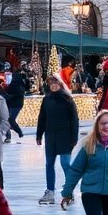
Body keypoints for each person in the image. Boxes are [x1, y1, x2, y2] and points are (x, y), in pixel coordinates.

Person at [35, 74, 79, 206]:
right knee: (49, 164)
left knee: (66, 164)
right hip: (50, 136)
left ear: (60, 84)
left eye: (56, 83)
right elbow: (42, 117)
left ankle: (69, 191)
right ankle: (50, 191)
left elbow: (74, 119)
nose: (53, 86)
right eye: (51, 83)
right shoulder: (47, 99)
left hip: (65, 136)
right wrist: (39, 134)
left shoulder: (67, 99)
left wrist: (74, 137)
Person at [2, 65, 27, 143]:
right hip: (10, 103)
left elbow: (16, 93)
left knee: (10, 119)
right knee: (7, 119)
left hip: (16, 104)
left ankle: (18, 131)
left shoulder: (19, 85)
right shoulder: (12, 83)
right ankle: (9, 136)